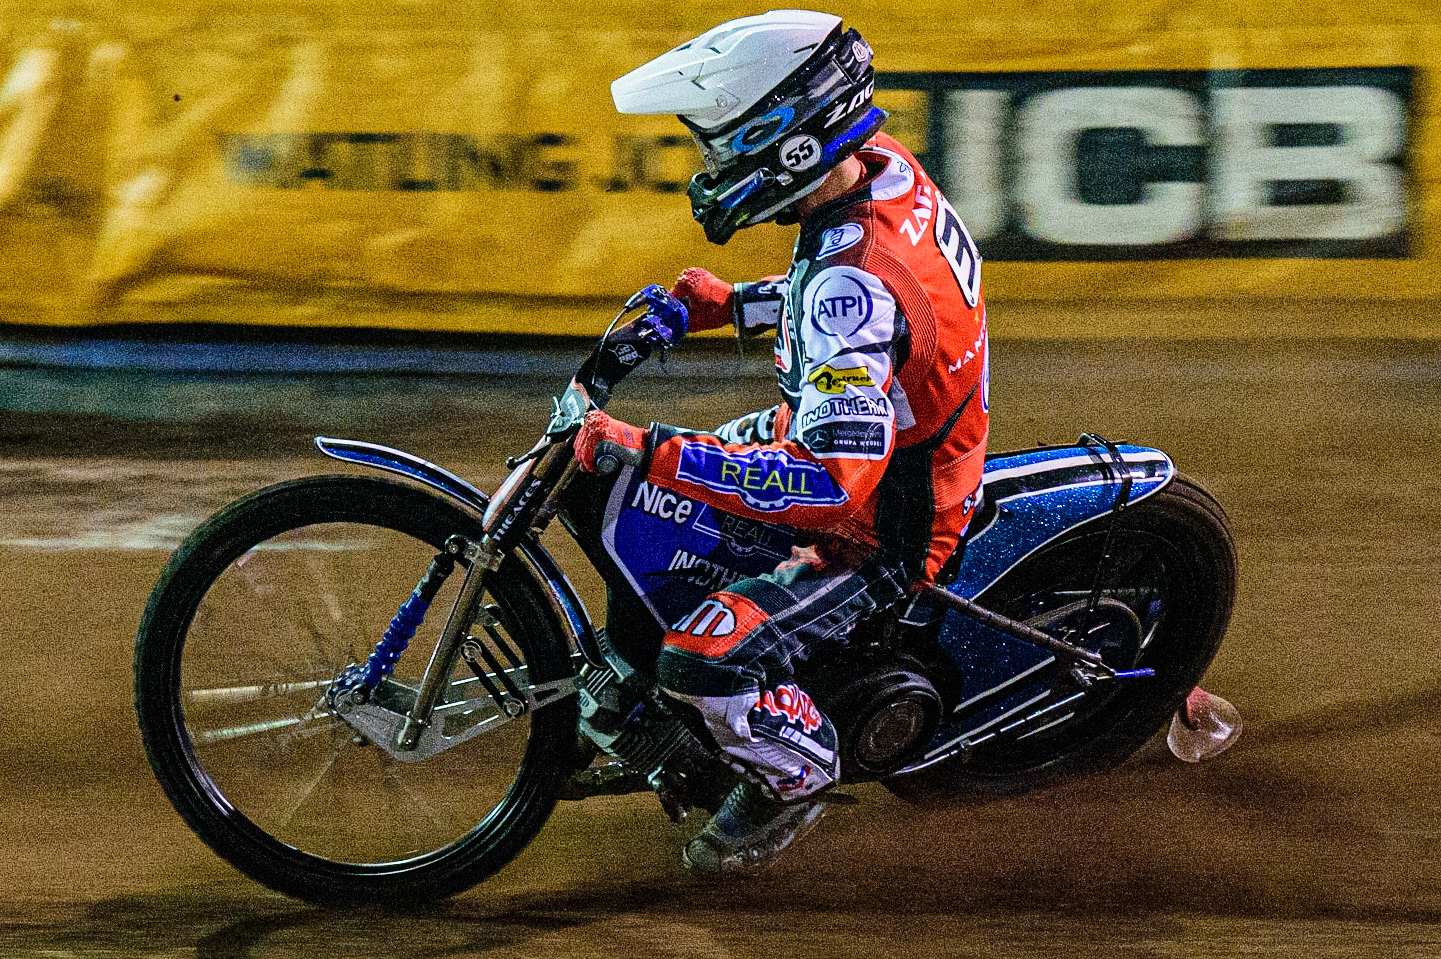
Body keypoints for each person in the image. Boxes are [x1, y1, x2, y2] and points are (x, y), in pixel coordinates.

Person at [573, 10, 990, 873]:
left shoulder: (853, 281)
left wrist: (649, 445)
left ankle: (791, 776)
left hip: (881, 525)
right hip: (878, 434)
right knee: (647, 513)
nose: (710, 167)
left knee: (700, 658)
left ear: (789, 139)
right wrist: (731, 302)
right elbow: (863, 300)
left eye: (722, 144)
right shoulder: (880, 172)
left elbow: (824, 484)